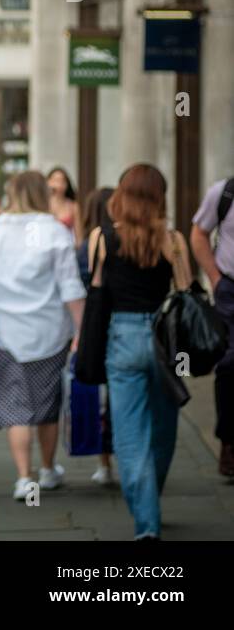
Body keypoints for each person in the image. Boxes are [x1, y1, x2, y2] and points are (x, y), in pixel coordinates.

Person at [87, 164, 192, 539]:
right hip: (165, 341)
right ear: (159, 196)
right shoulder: (173, 239)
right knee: (164, 430)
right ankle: (150, 501)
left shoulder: (101, 237)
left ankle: (146, 520)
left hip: (122, 337)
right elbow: (186, 291)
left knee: (130, 435)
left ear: (122, 193)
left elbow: (96, 294)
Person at [0, 171, 86, 501]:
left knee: (15, 406)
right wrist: (81, 329)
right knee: (47, 403)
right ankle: (48, 469)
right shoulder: (55, 231)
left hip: (4, 332)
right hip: (49, 331)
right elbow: (70, 287)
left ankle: (24, 478)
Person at [190, 175, 234, 477]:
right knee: (230, 365)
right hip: (230, 289)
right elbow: (199, 234)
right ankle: (229, 444)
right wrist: (215, 279)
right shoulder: (224, 192)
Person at [76, 186, 117, 486]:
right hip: (120, 324)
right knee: (116, 397)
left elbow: (85, 287)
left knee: (100, 394)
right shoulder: (127, 238)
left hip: (94, 325)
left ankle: (104, 462)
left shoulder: (88, 244)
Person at [48, 166, 77, 231]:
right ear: (48, 182)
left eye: (62, 181)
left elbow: (78, 235)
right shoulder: (42, 204)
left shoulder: (73, 206)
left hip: (66, 240)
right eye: (55, 180)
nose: (59, 184)